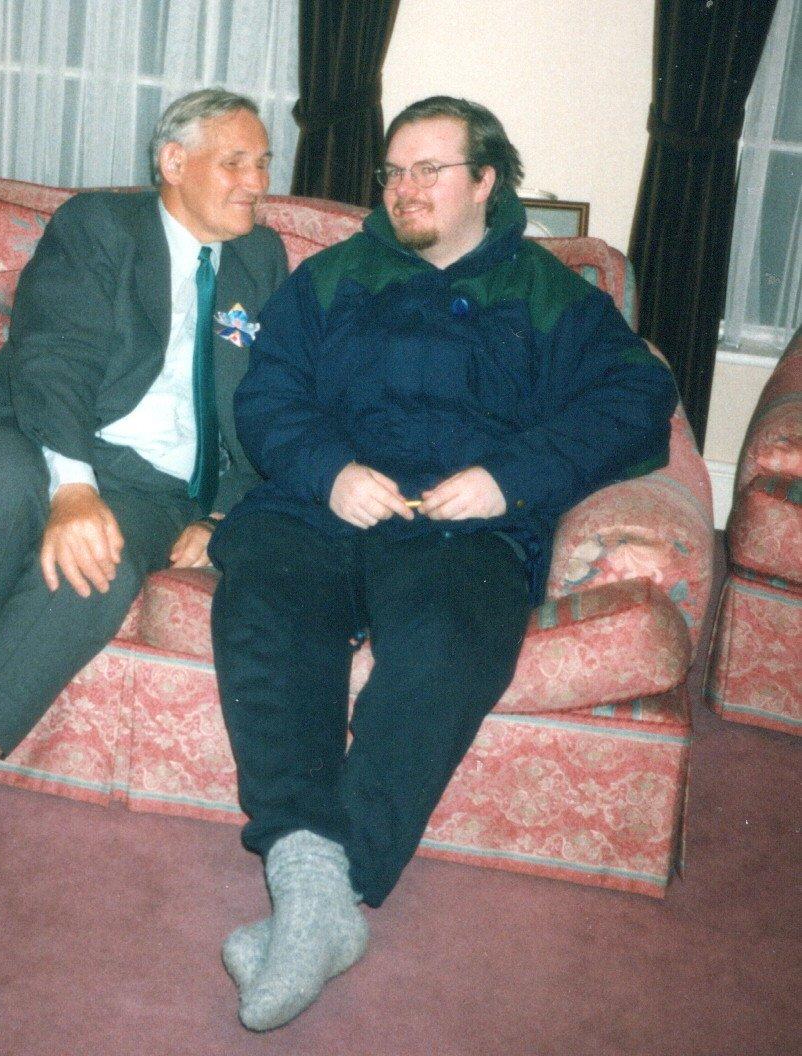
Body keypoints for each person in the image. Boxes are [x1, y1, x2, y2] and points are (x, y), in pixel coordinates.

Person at [208, 95, 678, 1031]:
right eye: (393, 171)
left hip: (460, 526)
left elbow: (638, 394)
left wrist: (510, 479)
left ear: (486, 180)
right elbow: (268, 395)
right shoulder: (333, 277)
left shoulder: (548, 292)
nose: (404, 188)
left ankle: (325, 889)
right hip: (325, 505)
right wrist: (329, 471)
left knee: (452, 642)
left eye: (430, 169)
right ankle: (312, 883)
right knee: (264, 607)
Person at [0, 88, 288, 932]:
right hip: (24, 423)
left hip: (153, 485)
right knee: (3, 486)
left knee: (96, 567)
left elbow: (269, 400)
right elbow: (54, 357)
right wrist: (71, 486)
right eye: (236, 161)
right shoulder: (101, 226)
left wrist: (230, 516)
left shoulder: (262, 258)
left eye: (263, 161)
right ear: (172, 162)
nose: (258, 181)